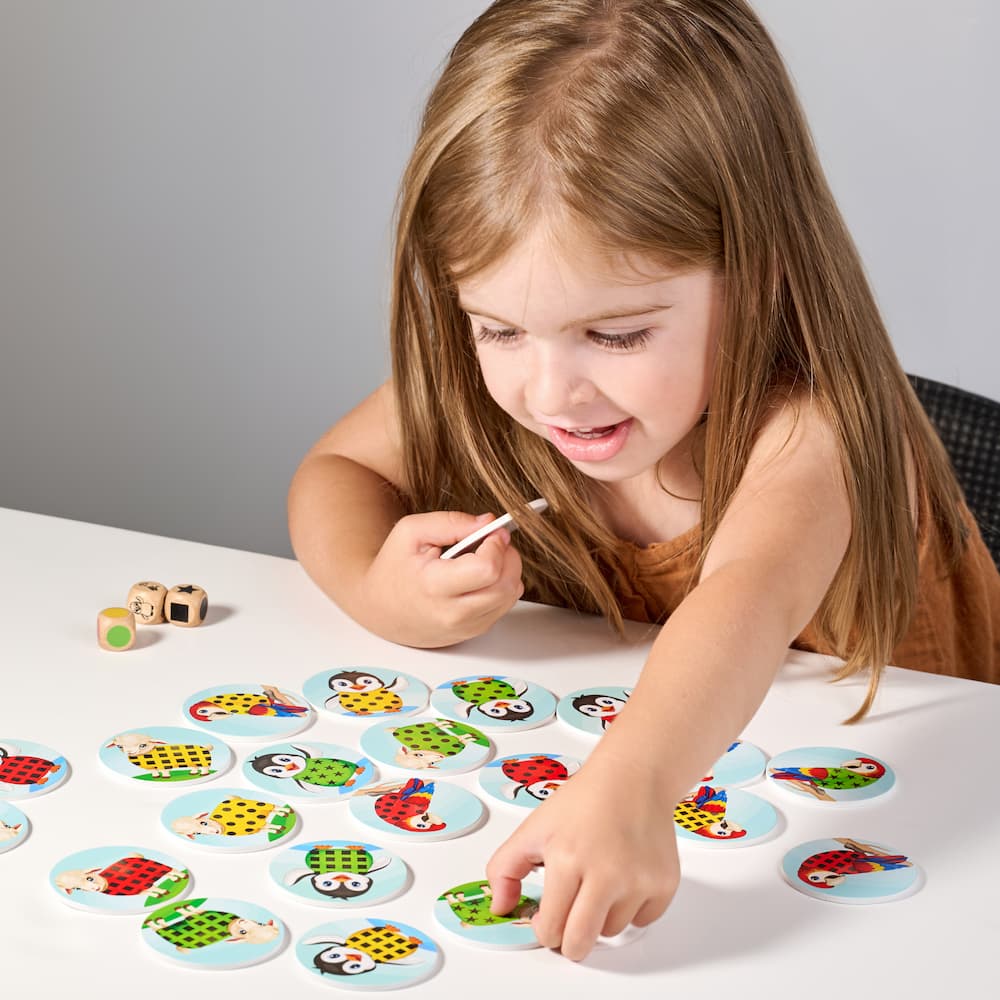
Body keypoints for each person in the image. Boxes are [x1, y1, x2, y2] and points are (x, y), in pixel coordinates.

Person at [288, 0, 1000, 961]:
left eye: (616, 334)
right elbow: (336, 469)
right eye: (497, 328)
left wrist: (632, 786)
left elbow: (746, 597)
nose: (551, 393)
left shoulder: (817, 428)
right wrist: (376, 588)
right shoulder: (503, 385)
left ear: (759, 276)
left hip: (928, 858)